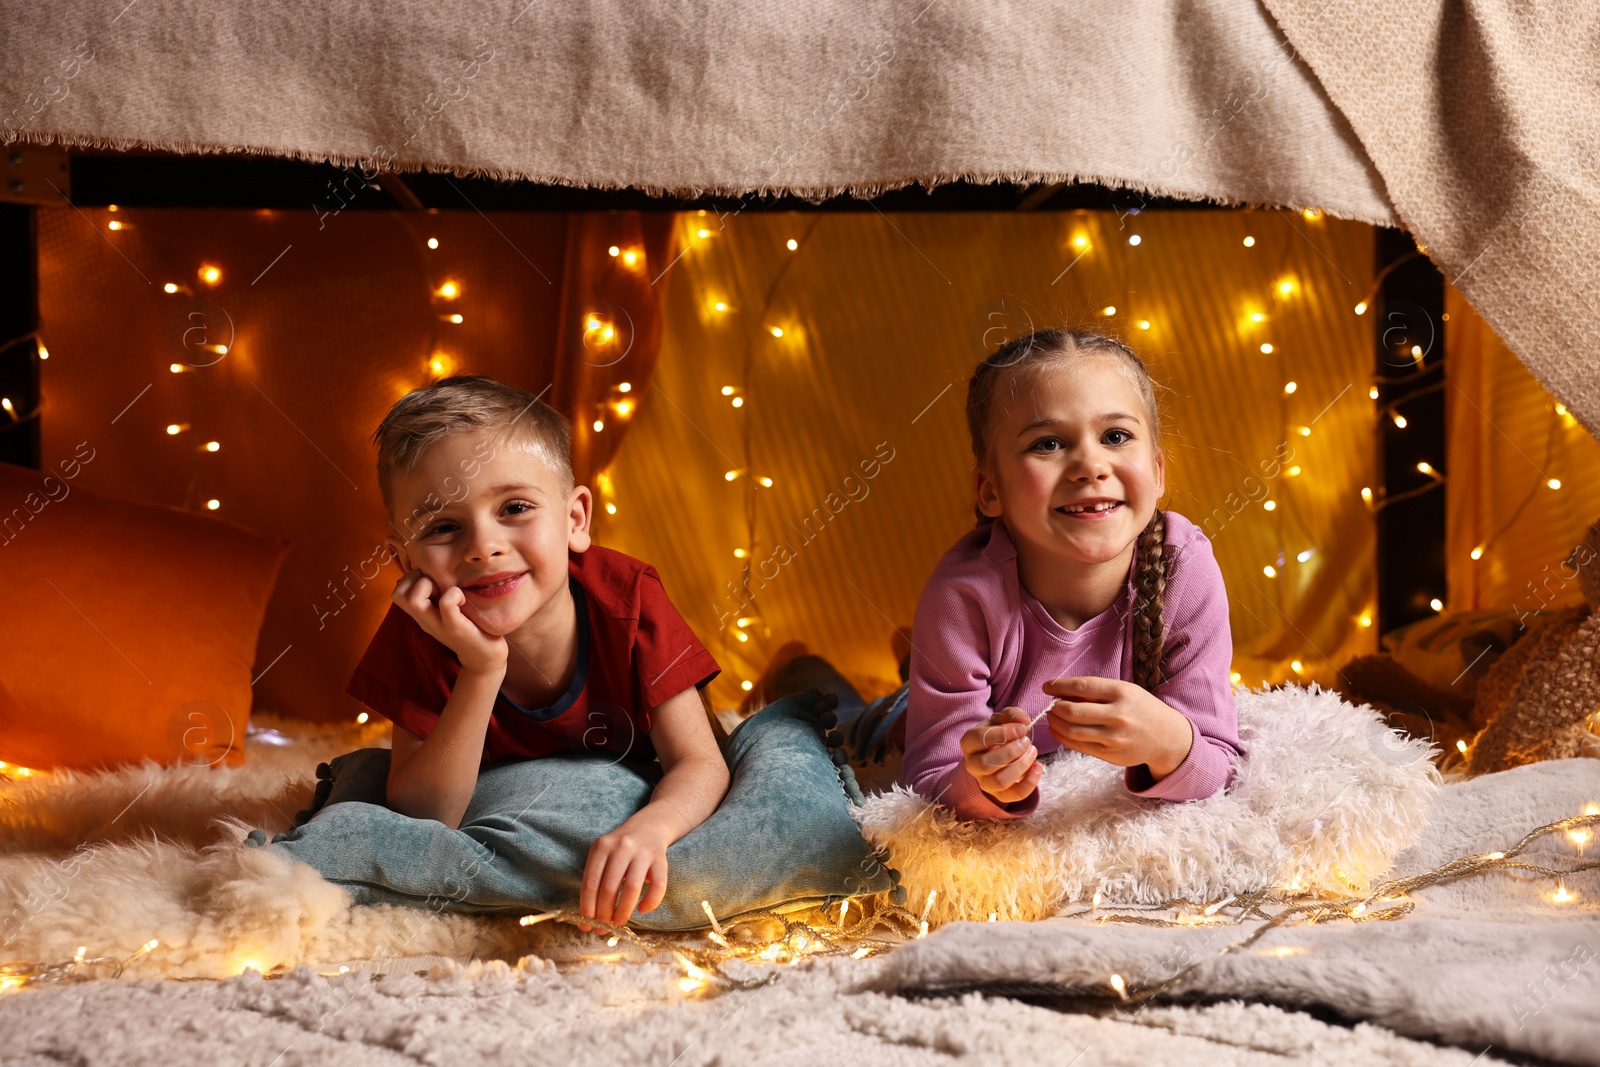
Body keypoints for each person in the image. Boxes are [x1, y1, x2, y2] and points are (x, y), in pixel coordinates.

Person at [754, 329, 1241, 820]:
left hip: (976, 671)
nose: (1091, 465)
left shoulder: (1185, 567)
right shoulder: (964, 596)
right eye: (1048, 443)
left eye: (1116, 436)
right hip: (903, 720)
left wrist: (1171, 743)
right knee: (843, 721)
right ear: (990, 491)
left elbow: (1216, 761)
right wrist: (988, 783)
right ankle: (799, 665)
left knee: (930, 672)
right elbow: (931, 771)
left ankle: (912, 651)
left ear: (1158, 471)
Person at [345, 375, 728, 927]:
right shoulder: (417, 632)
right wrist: (482, 668)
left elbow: (699, 762)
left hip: (639, 765)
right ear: (407, 563)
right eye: (444, 527)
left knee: (803, 726)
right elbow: (425, 815)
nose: (484, 547)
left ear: (575, 519)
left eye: (515, 507)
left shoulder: (627, 596)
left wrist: (651, 828)